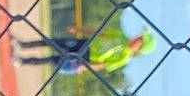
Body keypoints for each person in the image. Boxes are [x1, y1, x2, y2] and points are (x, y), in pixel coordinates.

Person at [17, 25, 155, 77]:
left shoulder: (124, 58)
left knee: (54, 60)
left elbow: (103, 65)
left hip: (86, 58)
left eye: (141, 39)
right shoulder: (120, 35)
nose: (138, 37)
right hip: (85, 45)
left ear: (140, 47)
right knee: (52, 42)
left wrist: (85, 67)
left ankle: (22, 61)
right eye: (140, 36)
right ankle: (22, 45)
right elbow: (98, 32)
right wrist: (79, 29)